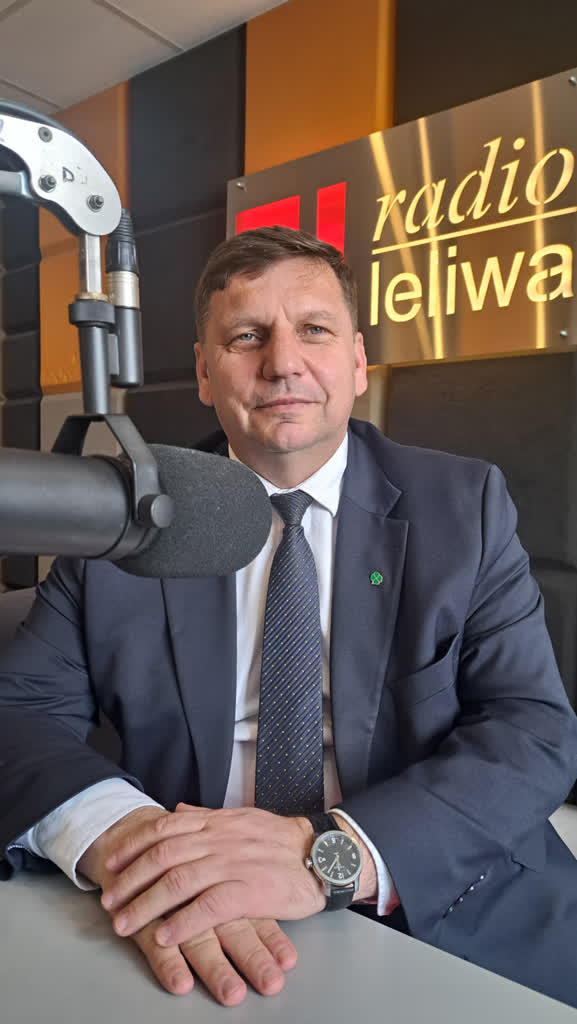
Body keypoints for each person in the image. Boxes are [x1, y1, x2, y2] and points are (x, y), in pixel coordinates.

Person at [0, 226, 577, 1008]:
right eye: (246, 337)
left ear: (357, 360)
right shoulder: (124, 519)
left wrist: (333, 853)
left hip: (441, 895)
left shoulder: (463, 506)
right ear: (203, 372)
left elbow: (530, 728)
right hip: (194, 908)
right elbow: (17, 712)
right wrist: (127, 840)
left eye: (313, 330)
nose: (281, 363)